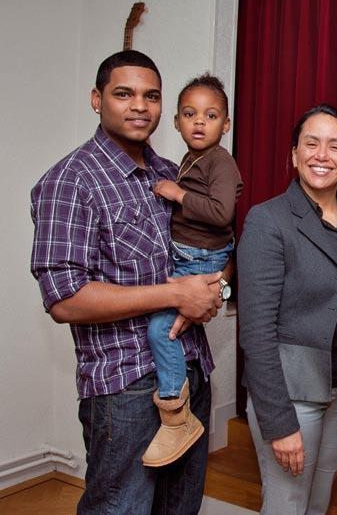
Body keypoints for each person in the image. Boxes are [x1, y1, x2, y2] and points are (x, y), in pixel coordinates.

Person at [30, 50, 226, 513]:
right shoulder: (69, 181)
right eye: (124, 93)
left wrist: (217, 290)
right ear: (97, 100)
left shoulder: (170, 174)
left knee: (180, 508)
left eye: (151, 96)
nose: (140, 106)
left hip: (191, 370)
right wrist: (177, 293)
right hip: (126, 387)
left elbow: (215, 242)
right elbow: (64, 298)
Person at [237, 104, 337, 514]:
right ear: (293, 154)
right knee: (288, 504)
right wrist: (279, 422)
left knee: (318, 503)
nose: (322, 155)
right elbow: (256, 331)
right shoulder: (268, 220)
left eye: (336, 146)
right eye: (311, 143)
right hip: (291, 393)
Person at [141, 74, 243, 467]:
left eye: (211, 114)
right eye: (190, 113)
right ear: (176, 122)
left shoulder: (221, 161)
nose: (200, 122)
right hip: (189, 257)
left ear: (226, 124)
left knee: (159, 329)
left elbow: (222, 215)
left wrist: (177, 193)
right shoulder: (190, 159)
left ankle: (175, 415)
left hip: (201, 262)